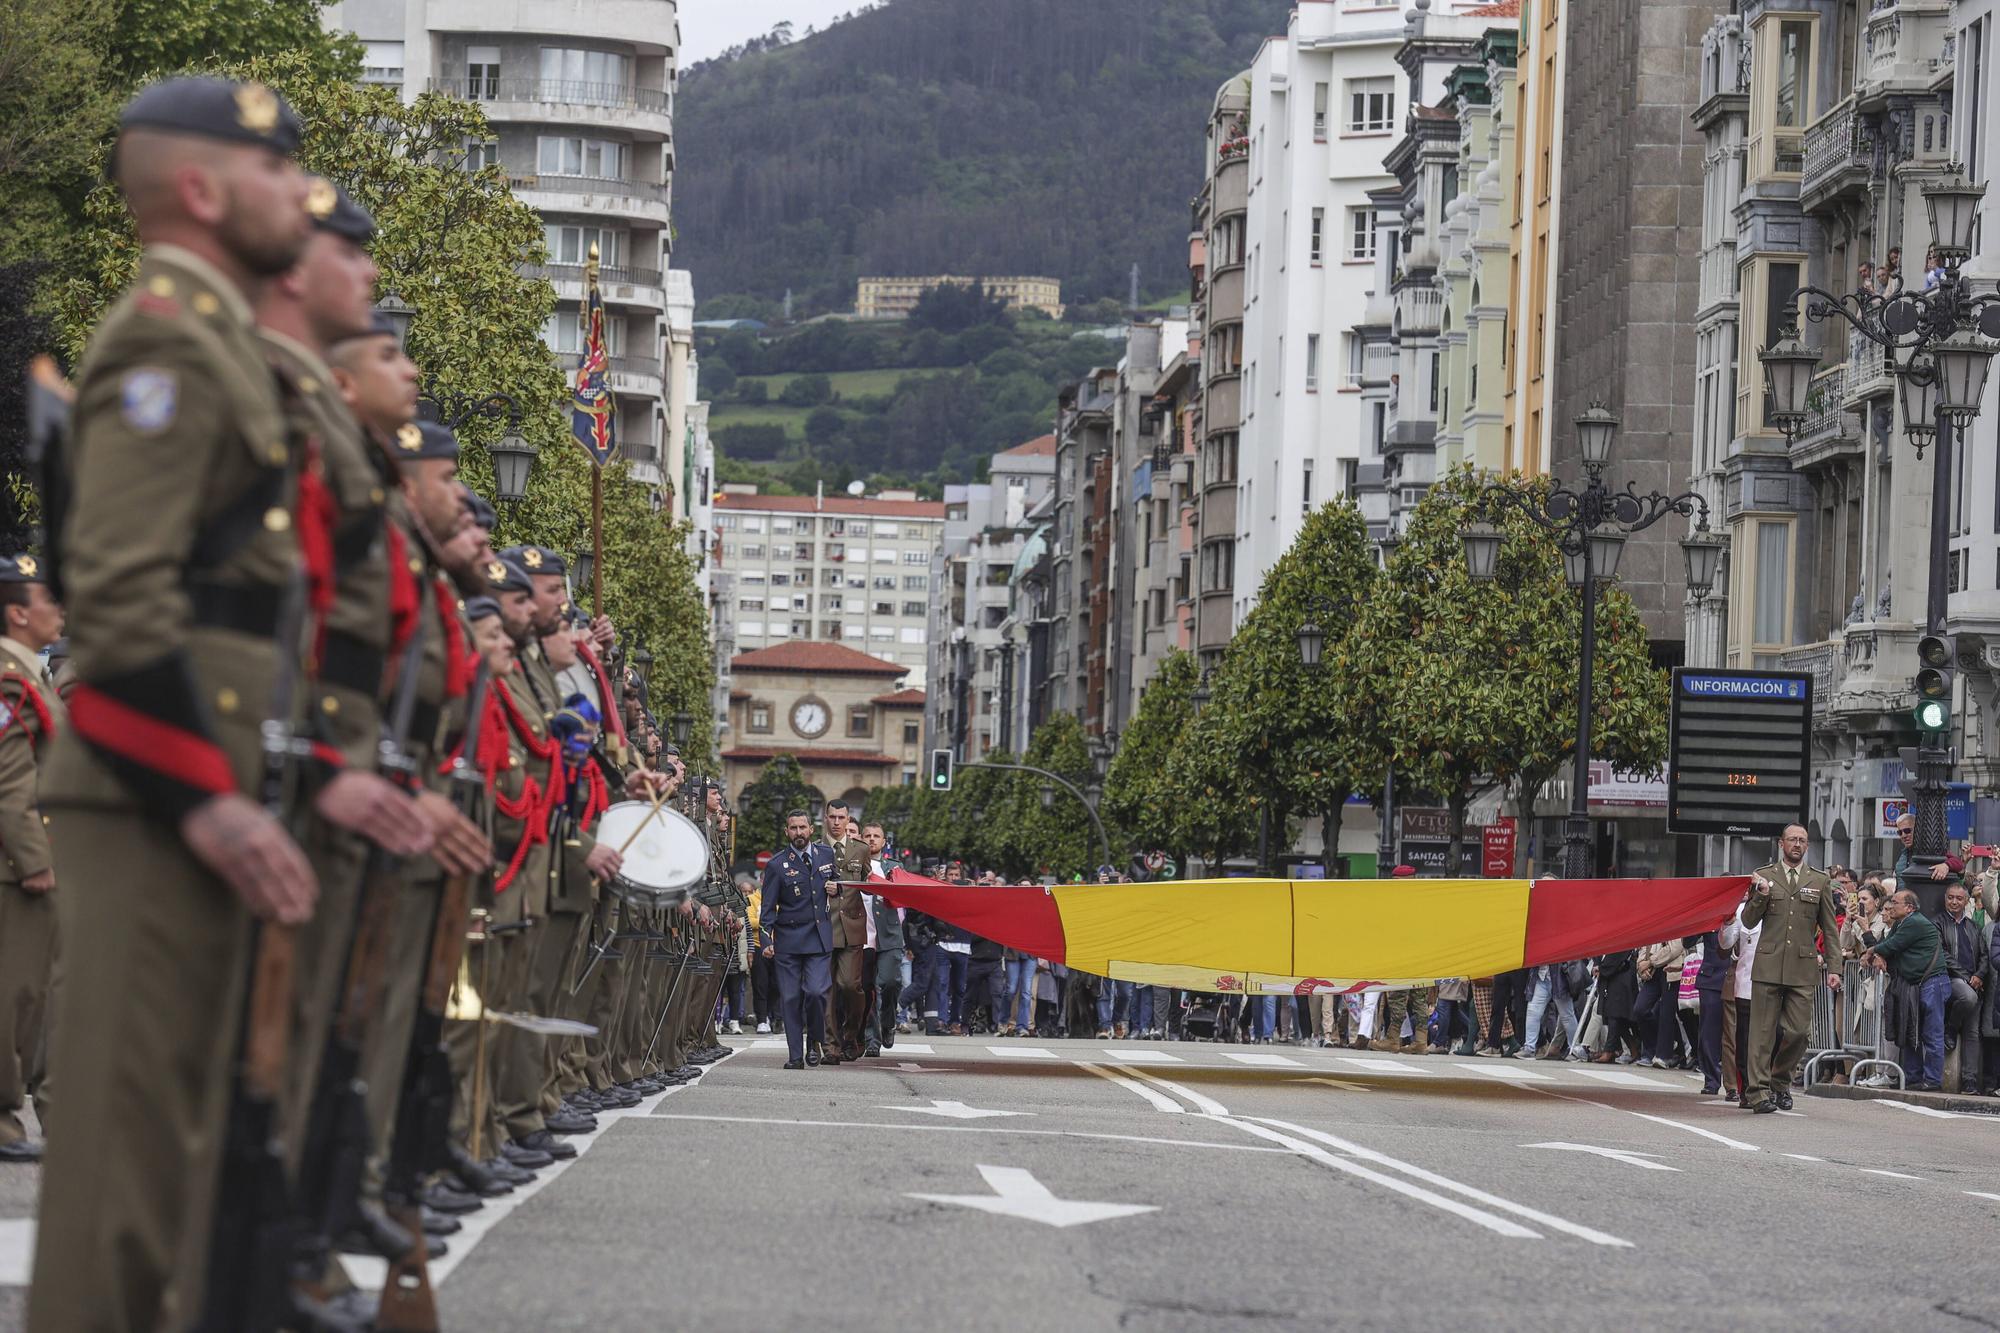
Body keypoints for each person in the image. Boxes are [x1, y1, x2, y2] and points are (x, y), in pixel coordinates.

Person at [29, 76, 323, 1331]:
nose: (299, 197)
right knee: (120, 1159)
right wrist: (207, 800)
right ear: (201, 187)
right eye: (275, 170)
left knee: (181, 1138)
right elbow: (121, 600)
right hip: (157, 792)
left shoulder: (215, 341)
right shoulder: (163, 340)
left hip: (194, 779)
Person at [0, 556, 64, 1163]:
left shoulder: (31, 675)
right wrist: (33, 861)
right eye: (48, 599)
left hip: (35, 863)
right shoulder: (9, 680)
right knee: (11, 994)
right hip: (17, 869)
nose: (59, 610)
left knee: (34, 997)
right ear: (18, 612)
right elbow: (10, 783)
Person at [1741, 823, 1842, 1112]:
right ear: (1781, 844)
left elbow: (1830, 928)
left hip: (1802, 966)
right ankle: (1758, 1092)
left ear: (1807, 846)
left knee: (1798, 1032)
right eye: (1792, 840)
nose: (1797, 844)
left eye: (1802, 841)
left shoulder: (1819, 880)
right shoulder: (1765, 876)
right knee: (1761, 1033)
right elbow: (1748, 921)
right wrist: (1760, 893)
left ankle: (1779, 1081)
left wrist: (1835, 967)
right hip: (1769, 963)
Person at [761, 811, 836, 1069]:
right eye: (793, 828)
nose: (798, 832)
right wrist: (765, 938)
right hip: (789, 940)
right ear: (786, 832)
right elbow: (768, 907)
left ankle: (814, 1040)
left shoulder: (827, 855)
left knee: (816, 993)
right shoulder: (776, 864)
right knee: (791, 998)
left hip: (819, 938)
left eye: (802, 827)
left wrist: (838, 888)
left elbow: (841, 885)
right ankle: (795, 1056)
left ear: (811, 829)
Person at [1865, 889, 1951, 1090]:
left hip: (1933, 983)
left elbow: (1890, 946)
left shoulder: (1914, 922)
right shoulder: (1900, 923)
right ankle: (1913, 1078)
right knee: (1912, 1032)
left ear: (1909, 907)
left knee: (1931, 1034)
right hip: (1917, 984)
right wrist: (1878, 953)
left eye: (1895, 903)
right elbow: (1886, 946)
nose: (1890, 906)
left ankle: (1932, 1081)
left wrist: (1871, 952)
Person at [820, 800, 871, 1062]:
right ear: (825, 818)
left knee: (850, 986)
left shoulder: (860, 850)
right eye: (832, 817)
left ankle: (851, 1035)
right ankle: (831, 1046)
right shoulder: (816, 848)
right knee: (827, 990)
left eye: (841, 817)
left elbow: (869, 883)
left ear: (848, 818)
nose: (837, 822)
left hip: (851, 927)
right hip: (823, 928)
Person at [1933, 882, 1989, 1094]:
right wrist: (1967, 977)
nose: (1954, 901)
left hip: (1975, 981)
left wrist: (1979, 975)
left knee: (1972, 1033)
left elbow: (1984, 955)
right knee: (1968, 997)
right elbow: (1942, 954)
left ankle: (1969, 1080)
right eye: (1950, 897)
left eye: (1959, 898)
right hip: (1952, 979)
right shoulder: (1938, 922)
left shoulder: (1974, 925)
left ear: (1967, 901)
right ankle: (1951, 1027)